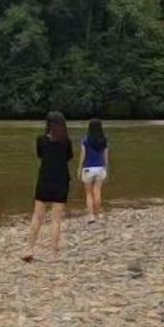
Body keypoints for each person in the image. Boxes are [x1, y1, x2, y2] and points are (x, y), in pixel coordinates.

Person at [23, 111, 73, 262]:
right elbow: (69, 157)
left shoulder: (41, 140)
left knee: (37, 216)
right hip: (61, 180)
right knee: (56, 219)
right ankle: (53, 254)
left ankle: (29, 248)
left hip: (44, 179)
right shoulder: (66, 142)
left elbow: (40, 155)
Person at [79, 119, 110, 223]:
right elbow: (105, 156)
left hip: (88, 168)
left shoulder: (85, 140)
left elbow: (83, 155)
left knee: (88, 193)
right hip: (100, 168)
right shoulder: (103, 140)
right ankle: (99, 213)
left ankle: (91, 215)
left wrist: (79, 168)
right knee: (97, 191)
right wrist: (106, 167)